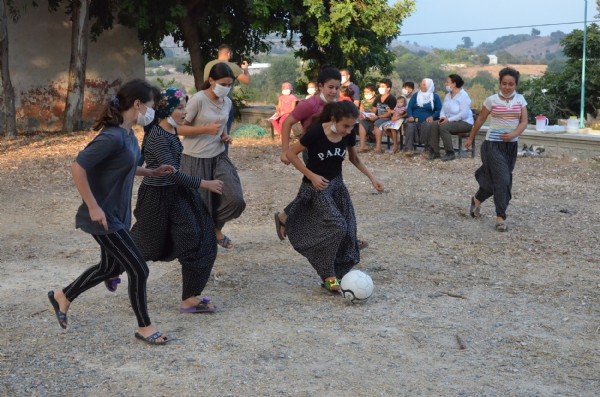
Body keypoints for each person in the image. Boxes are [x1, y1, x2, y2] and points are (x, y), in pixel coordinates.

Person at [47, 79, 175, 345]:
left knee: (110, 266)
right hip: (103, 216)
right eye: (150, 106)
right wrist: (93, 206)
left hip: (117, 214)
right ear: (138, 104)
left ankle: (64, 296)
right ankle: (145, 327)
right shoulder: (111, 136)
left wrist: (149, 171)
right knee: (139, 269)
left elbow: (122, 165)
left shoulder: (128, 134)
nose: (151, 112)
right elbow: (78, 167)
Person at [131, 88, 224, 314]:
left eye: (185, 106)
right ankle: (112, 267)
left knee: (199, 239)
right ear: (166, 109)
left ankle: (190, 298)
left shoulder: (171, 131)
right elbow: (170, 173)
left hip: (178, 195)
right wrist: (204, 183)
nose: (185, 111)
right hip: (157, 199)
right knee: (145, 246)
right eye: (180, 107)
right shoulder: (157, 137)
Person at [274, 102, 384, 292]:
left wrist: (372, 179)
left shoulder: (346, 135)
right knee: (337, 226)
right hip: (317, 187)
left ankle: (340, 274)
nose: (349, 131)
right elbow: (291, 154)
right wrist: (311, 176)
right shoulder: (316, 133)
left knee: (349, 231)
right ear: (333, 120)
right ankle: (328, 275)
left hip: (337, 185)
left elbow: (354, 158)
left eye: (352, 126)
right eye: (345, 126)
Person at [277, 68, 369, 251]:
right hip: (312, 151)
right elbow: (287, 122)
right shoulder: (309, 104)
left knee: (327, 194)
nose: (334, 91)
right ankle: (341, 238)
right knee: (319, 192)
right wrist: (285, 150)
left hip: (332, 152)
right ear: (320, 86)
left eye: (337, 87)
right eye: (330, 87)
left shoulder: (339, 105)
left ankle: (346, 237)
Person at [179, 63, 246, 249]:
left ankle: (214, 227)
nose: (226, 88)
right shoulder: (198, 100)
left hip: (218, 156)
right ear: (211, 81)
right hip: (195, 158)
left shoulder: (228, 102)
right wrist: (205, 129)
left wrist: (224, 135)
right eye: (223, 84)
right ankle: (207, 238)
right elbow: (179, 128)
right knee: (199, 206)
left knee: (235, 200)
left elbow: (222, 123)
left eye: (229, 84)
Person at [464, 67, 528, 232]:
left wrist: (514, 134)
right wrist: (471, 138)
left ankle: (477, 200)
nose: (507, 87)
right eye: (504, 83)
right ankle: (500, 217)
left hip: (511, 147)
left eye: (511, 84)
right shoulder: (491, 100)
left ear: (516, 85)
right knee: (504, 180)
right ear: (500, 83)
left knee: (497, 180)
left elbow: (523, 122)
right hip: (492, 145)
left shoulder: (520, 100)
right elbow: (480, 120)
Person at [203, 44, 251, 155]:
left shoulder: (209, 64)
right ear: (228, 54)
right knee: (224, 135)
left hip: (207, 102)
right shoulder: (231, 66)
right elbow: (246, 81)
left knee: (208, 133)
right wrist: (245, 70)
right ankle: (223, 160)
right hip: (224, 103)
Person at [428, 74, 474, 162]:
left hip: (464, 122)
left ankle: (450, 152)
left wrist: (448, 120)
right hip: (450, 121)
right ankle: (435, 151)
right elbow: (443, 110)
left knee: (444, 126)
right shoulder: (448, 96)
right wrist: (442, 117)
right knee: (434, 124)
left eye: (447, 82)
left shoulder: (463, 96)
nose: (445, 84)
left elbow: (463, 114)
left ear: (454, 84)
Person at [403, 78, 442, 157]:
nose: (421, 85)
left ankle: (427, 149)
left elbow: (440, 110)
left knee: (428, 125)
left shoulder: (435, 97)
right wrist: (410, 116)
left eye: (424, 84)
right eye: (421, 84)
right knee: (410, 125)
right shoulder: (416, 95)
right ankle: (409, 148)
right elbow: (409, 107)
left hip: (427, 121)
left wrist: (432, 117)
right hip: (414, 120)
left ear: (429, 86)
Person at [359, 78, 396, 153]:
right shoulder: (378, 98)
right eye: (380, 86)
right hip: (377, 118)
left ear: (388, 88)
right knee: (362, 122)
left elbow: (390, 113)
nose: (380, 88)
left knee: (377, 123)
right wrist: (369, 116)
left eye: (383, 86)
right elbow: (374, 110)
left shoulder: (392, 98)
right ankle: (363, 146)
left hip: (387, 118)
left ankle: (378, 147)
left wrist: (377, 117)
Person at [357, 84, 377, 152]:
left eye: (367, 92)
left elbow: (374, 112)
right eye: (365, 92)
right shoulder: (363, 101)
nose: (365, 93)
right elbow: (361, 111)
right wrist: (362, 115)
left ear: (373, 93)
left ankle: (364, 145)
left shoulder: (376, 100)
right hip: (365, 119)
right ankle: (363, 146)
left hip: (374, 120)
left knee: (362, 123)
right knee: (361, 122)